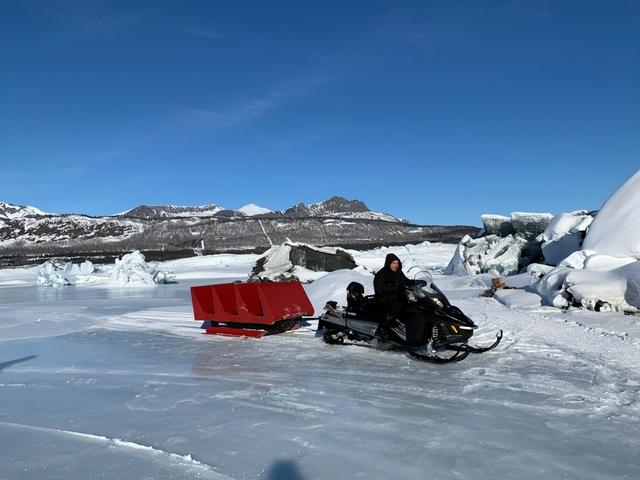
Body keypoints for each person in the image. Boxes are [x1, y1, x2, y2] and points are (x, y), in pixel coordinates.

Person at [373, 253, 410, 334]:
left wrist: (415, 283)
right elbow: (379, 288)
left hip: (396, 296)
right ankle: (382, 330)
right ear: (388, 263)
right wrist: (391, 288)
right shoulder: (382, 274)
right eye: (393, 263)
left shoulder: (399, 273)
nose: (396, 265)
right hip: (383, 298)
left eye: (397, 263)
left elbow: (406, 281)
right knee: (396, 307)